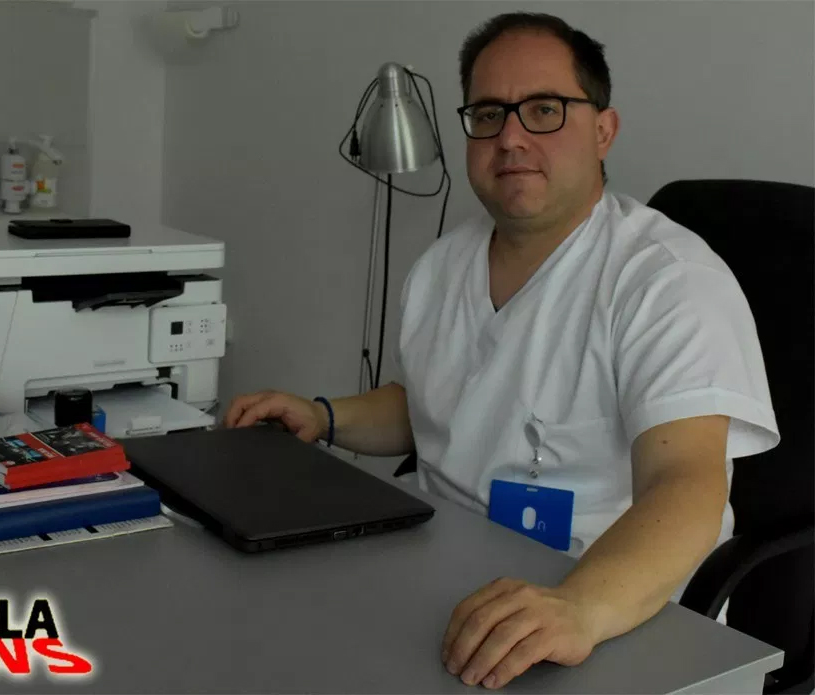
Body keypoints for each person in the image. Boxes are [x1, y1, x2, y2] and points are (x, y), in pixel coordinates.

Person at [224, 11, 779, 690]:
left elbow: (688, 485)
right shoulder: (443, 264)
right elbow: (433, 403)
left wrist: (579, 608)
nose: (510, 137)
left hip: (603, 609)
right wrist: (323, 416)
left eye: (544, 109)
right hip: (442, 573)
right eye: (488, 114)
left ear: (603, 130)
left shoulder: (666, 280)